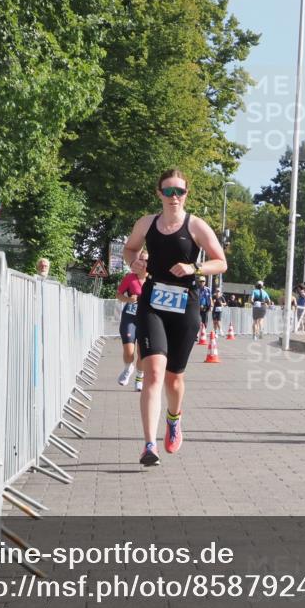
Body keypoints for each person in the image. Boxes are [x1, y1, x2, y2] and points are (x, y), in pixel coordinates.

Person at [123, 169, 227, 467]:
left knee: (174, 378)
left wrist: (195, 268)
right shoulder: (146, 223)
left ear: (186, 194)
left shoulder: (196, 225)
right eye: (168, 191)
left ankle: (174, 417)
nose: (174, 197)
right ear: (159, 193)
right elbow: (130, 249)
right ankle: (149, 445)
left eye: (179, 191)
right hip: (153, 302)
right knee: (154, 373)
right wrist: (135, 263)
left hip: (185, 305)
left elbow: (221, 262)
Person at [117, 251, 148, 391]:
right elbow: (118, 294)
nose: (144, 262)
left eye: (147, 260)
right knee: (129, 351)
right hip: (130, 317)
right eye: (141, 259)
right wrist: (129, 299)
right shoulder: (130, 278)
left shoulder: (153, 278)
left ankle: (139, 378)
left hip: (146, 319)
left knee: (142, 353)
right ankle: (128, 368)